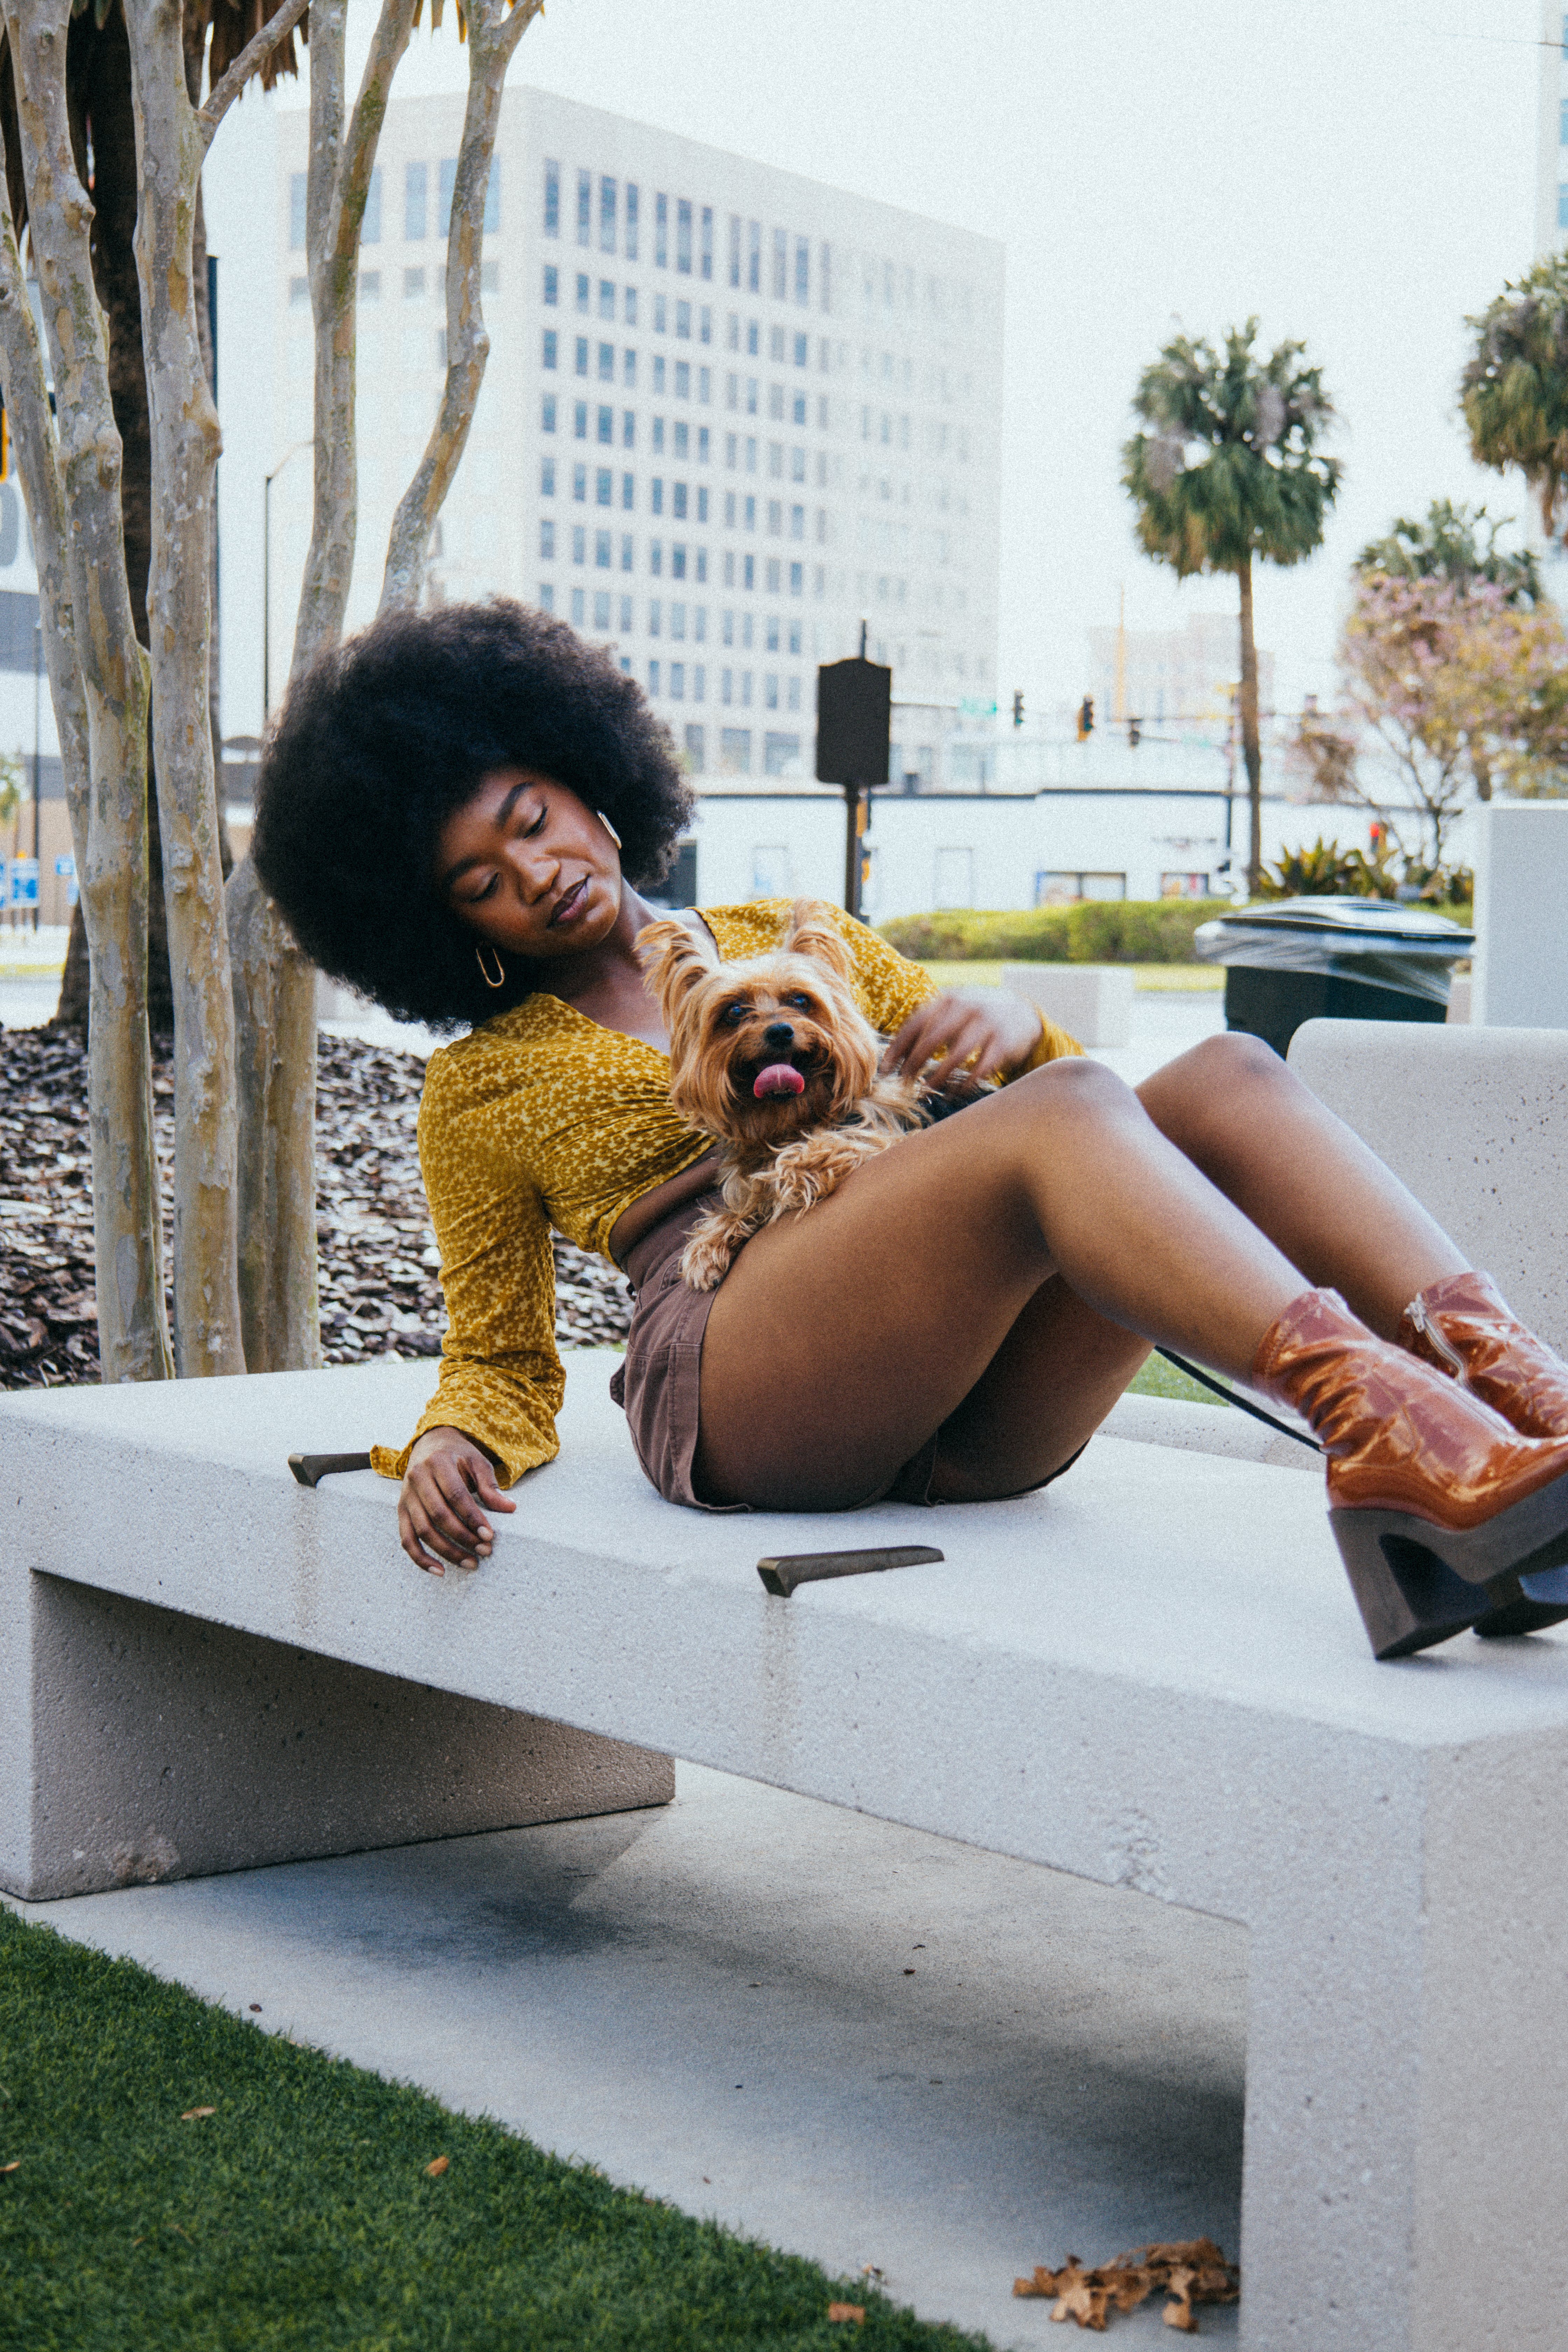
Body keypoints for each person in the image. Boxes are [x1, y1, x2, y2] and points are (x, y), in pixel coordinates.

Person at [254, 599, 1568, 1661]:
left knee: (1225, 1072)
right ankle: (1387, 1437)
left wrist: (1008, 1020)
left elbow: (1071, 1111)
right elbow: (501, 1355)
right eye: (481, 882)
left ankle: (1517, 1394)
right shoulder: (480, 1087)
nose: (534, 872)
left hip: (974, 1400)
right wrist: (450, 1439)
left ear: (592, 789)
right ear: (449, 931)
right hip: (743, 1380)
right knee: (1061, 1122)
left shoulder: (793, 935)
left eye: (531, 819)